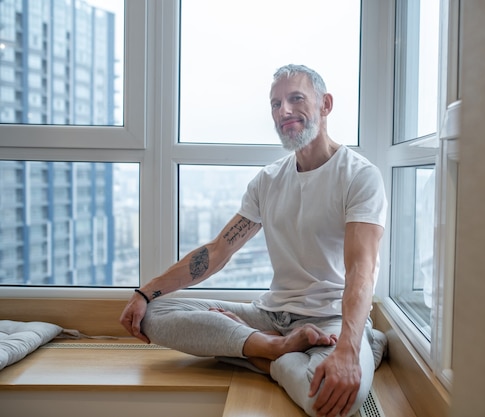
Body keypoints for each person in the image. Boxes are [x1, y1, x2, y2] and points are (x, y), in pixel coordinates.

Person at [119, 64, 388, 417]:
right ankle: (274, 348)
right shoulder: (269, 180)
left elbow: (361, 272)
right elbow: (217, 252)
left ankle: (261, 356)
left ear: (325, 104)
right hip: (270, 316)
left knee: (332, 400)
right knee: (154, 314)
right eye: (276, 104)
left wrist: (349, 347)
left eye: (295, 99)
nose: (284, 111)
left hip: (331, 321)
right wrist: (144, 293)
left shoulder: (359, 176)